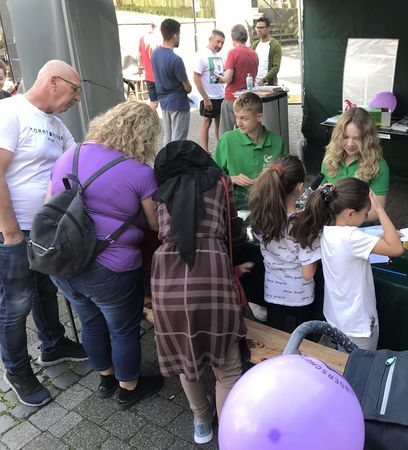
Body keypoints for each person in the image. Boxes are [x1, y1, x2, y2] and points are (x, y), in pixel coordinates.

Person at [50, 101, 164, 410]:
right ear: (145, 136)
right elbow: (155, 224)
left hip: (63, 263)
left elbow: (50, 206)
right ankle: (129, 388)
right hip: (111, 268)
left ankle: (105, 377)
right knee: (123, 329)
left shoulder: (67, 156)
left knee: (90, 322)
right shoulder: (140, 173)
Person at [0, 60, 87, 407]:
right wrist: (9, 232)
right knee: (14, 305)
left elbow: (79, 156)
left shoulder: (55, 124)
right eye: (75, 89)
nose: (77, 98)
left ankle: (53, 344)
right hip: (14, 231)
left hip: (44, 229)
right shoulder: (11, 111)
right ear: (53, 81)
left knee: (43, 290)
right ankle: (17, 370)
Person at [151, 140, 247, 445]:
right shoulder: (221, 183)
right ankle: (230, 432)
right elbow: (234, 230)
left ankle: (202, 420)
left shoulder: (160, 193)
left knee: (186, 359)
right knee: (228, 367)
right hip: (210, 271)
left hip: (166, 275)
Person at [290, 178, 404, 350]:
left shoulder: (326, 229)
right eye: (366, 213)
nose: (367, 216)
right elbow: (396, 249)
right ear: (350, 214)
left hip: (336, 317)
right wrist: (380, 210)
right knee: (360, 369)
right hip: (358, 326)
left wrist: (383, 236)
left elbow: (355, 242)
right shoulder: (352, 237)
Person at [248, 155, 320, 331]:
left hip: (273, 292)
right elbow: (308, 273)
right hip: (301, 296)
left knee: (276, 339)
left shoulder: (261, 218)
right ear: (300, 187)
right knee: (303, 342)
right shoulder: (305, 224)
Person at [214, 92, 286, 208]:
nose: (238, 123)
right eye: (236, 117)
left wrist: (269, 179)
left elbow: (285, 176)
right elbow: (211, 176)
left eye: (244, 118)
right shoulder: (227, 140)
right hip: (237, 204)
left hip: (269, 203)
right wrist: (232, 179)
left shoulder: (277, 141)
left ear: (259, 117)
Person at [321, 107, 390, 222]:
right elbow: (322, 191)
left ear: (368, 139)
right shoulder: (330, 157)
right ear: (338, 136)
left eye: (357, 138)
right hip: (330, 222)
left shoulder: (379, 165)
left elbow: (377, 212)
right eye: (346, 137)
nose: (350, 143)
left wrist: (343, 221)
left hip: (360, 228)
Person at [151, 18, 192, 144]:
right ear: (175, 35)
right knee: (178, 141)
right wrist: (189, 88)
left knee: (168, 139)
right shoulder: (176, 60)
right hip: (178, 103)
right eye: (179, 35)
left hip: (164, 102)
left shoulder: (155, 53)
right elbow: (187, 87)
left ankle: (166, 163)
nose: (179, 38)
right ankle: (176, 164)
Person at [216, 24, 259, 136]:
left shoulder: (233, 53)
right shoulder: (254, 53)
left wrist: (219, 78)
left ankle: (227, 153)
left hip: (232, 99)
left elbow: (228, 78)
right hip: (249, 98)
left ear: (233, 38)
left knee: (227, 134)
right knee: (246, 133)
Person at [193, 30, 225, 151]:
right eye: (218, 42)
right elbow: (196, 77)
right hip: (208, 96)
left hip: (220, 95)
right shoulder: (202, 55)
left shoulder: (220, 55)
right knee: (207, 123)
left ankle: (220, 149)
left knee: (219, 123)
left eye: (222, 43)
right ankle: (205, 151)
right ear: (210, 39)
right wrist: (205, 98)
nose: (220, 45)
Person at [250, 16, 282, 87]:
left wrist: (264, 80)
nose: (259, 30)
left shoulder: (275, 45)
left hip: (268, 84)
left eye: (261, 28)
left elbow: (276, 67)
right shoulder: (255, 44)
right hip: (254, 84)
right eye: (257, 27)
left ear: (268, 29)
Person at [138, 21, 161, 111]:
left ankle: (152, 122)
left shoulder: (142, 39)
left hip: (148, 75)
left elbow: (139, 56)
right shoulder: (158, 40)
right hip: (159, 76)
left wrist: (145, 67)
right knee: (162, 101)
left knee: (153, 101)